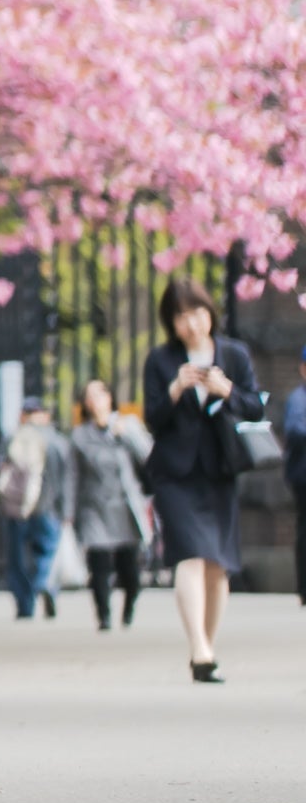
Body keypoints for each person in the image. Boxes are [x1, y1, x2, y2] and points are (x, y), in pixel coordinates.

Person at [140, 275, 261, 682]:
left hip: (219, 469)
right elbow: (152, 420)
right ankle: (199, 648)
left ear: (209, 313)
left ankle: (205, 647)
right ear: (170, 323)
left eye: (195, 313)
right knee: (189, 555)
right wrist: (175, 389)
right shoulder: (160, 360)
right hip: (175, 472)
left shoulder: (235, 354)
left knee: (217, 565)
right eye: (180, 317)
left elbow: (255, 409)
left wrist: (226, 390)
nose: (190, 324)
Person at [53, 377, 151, 631]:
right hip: (94, 507)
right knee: (98, 565)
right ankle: (104, 616)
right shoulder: (80, 435)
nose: (94, 401)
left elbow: (148, 456)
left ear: (110, 397)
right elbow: (72, 476)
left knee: (129, 569)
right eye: (89, 396)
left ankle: (129, 605)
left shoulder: (128, 425)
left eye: (99, 394)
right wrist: (68, 512)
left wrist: (125, 434)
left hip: (125, 506)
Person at [0, 399, 61, 620]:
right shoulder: (54, 439)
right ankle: (43, 585)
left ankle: (28, 602)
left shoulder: (13, 438)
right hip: (44, 506)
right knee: (45, 553)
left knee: (20, 559)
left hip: (20, 507)